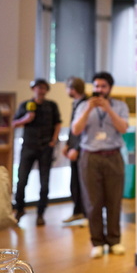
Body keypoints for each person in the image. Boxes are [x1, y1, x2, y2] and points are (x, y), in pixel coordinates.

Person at [72, 72, 129, 258]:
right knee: (93, 202)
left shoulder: (119, 106)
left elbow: (123, 128)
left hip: (113, 156)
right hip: (90, 157)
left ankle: (114, 241)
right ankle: (97, 242)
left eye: (103, 86)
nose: (99, 90)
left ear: (110, 88)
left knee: (114, 201)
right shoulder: (83, 106)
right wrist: (88, 110)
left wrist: (109, 110)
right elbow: (76, 130)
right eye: (96, 86)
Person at [12, 79, 61, 226]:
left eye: (43, 88)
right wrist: (26, 119)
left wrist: (53, 140)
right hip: (28, 147)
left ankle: (41, 213)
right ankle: (19, 209)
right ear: (33, 89)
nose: (40, 90)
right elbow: (14, 123)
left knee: (44, 183)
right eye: (38, 88)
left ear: (46, 90)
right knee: (21, 181)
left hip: (46, 147)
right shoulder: (26, 105)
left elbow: (57, 123)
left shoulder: (51, 106)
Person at [62, 76, 88, 224]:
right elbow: (73, 128)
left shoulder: (85, 104)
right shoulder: (76, 104)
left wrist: (76, 148)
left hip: (82, 150)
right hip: (74, 147)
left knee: (82, 182)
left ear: (73, 89)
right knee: (74, 182)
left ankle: (84, 213)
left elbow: (84, 130)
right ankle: (77, 211)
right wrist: (68, 144)